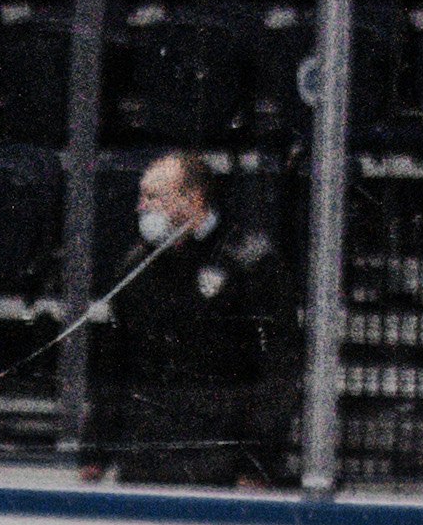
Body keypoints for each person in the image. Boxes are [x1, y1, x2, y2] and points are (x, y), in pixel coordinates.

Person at [81, 150, 285, 490]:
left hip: (220, 457)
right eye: (141, 196)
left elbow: (275, 371)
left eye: (154, 196)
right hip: (145, 455)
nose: (141, 207)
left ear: (194, 198)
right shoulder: (135, 267)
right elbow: (114, 365)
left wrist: (257, 463)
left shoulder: (250, 262)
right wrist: (95, 453)